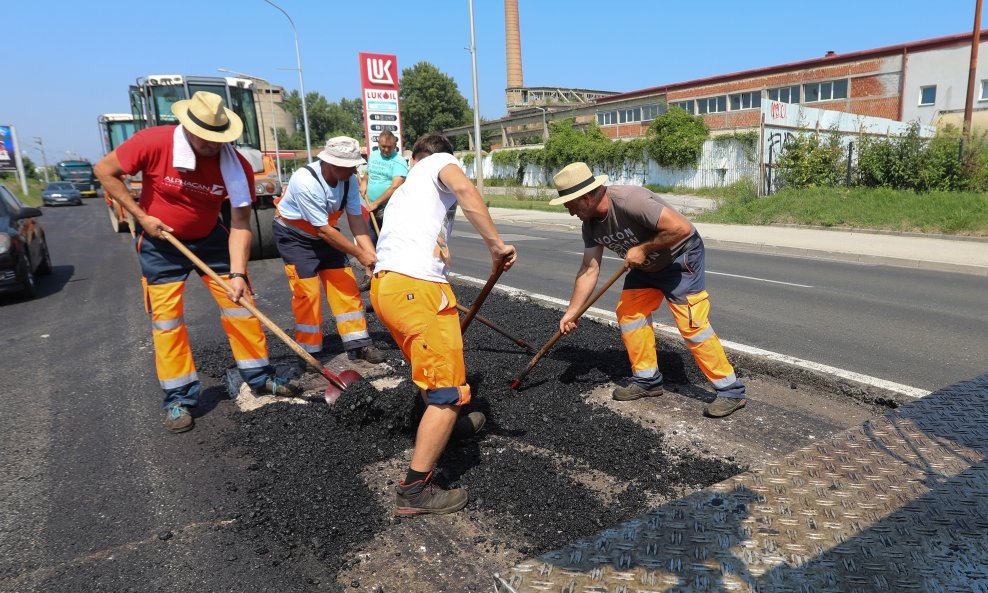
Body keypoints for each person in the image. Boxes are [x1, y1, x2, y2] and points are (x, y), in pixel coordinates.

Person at [94, 91, 301, 434]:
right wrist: (141, 216)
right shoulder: (153, 142)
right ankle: (178, 398)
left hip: (211, 241)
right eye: (206, 139)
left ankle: (260, 376)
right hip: (160, 245)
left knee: (241, 305)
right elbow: (105, 171)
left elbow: (239, 224)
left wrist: (237, 274)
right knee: (167, 322)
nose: (212, 145)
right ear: (188, 127)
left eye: (219, 139)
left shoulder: (236, 166)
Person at [370, 133, 517, 515]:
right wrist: (496, 245)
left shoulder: (403, 190)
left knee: (432, 375)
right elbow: (465, 188)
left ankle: (445, 432)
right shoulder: (434, 163)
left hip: (387, 288)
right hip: (416, 289)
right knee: (449, 392)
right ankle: (415, 490)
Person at [553, 162, 747, 419]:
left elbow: (682, 229)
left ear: (586, 197)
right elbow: (589, 269)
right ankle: (647, 381)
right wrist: (572, 312)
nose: (570, 213)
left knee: (692, 324)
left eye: (571, 206)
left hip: (680, 259)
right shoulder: (590, 226)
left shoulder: (631, 200)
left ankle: (731, 391)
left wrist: (643, 249)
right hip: (645, 267)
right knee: (630, 313)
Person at [272, 137, 384, 363]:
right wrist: (359, 255)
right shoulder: (305, 181)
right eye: (349, 166)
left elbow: (356, 220)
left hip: (327, 234)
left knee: (346, 285)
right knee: (307, 293)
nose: (354, 170)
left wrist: (371, 256)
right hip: (295, 237)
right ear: (331, 163)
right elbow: (322, 230)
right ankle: (309, 351)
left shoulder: (349, 180)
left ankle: (359, 343)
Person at [361, 130, 407, 244]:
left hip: (389, 209)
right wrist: (364, 183)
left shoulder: (399, 161)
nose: (386, 150)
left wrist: (376, 203)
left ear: (395, 146)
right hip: (373, 208)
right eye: (383, 146)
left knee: (389, 242)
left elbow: (395, 186)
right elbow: (368, 172)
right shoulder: (374, 155)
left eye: (389, 147)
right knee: (373, 240)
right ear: (378, 145)